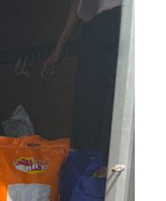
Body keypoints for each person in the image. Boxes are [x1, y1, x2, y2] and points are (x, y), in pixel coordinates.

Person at [42, 0, 123, 158]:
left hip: (119, 20)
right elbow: (77, 7)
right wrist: (59, 49)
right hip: (92, 29)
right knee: (86, 102)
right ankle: (87, 164)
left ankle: (110, 163)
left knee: (112, 100)